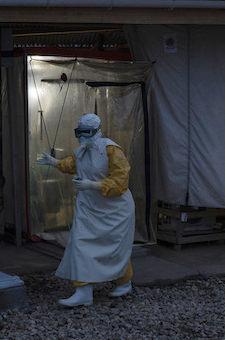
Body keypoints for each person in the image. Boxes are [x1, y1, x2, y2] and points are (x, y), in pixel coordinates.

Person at [36, 113, 136, 307]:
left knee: (114, 247)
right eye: (79, 132)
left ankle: (124, 282)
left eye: (86, 133)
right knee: (80, 244)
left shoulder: (111, 150)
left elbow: (121, 182)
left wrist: (93, 185)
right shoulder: (81, 151)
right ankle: (83, 291)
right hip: (89, 207)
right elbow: (71, 164)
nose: (82, 137)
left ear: (97, 132)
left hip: (116, 210)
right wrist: (54, 162)